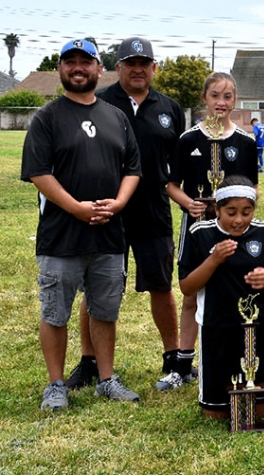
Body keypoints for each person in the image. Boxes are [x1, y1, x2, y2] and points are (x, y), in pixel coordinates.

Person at [21, 38, 142, 409]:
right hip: (61, 236)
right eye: (69, 62)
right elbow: (39, 173)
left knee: (105, 311)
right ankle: (55, 385)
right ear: (60, 69)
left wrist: (119, 203)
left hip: (108, 236)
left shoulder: (115, 116)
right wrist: (76, 207)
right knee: (55, 312)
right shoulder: (47, 118)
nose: (77, 68)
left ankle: (106, 379)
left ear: (98, 69)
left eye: (85, 62)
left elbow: (132, 169)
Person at [64, 37, 188, 392]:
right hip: (107, 211)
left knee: (161, 286)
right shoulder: (99, 102)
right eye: (130, 63)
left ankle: (174, 358)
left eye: (144, 63)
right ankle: (89, 362)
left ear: (154, 68)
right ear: (116, 67)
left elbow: (177, 164)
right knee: (98, 288)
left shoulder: (170, 108)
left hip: (153, 210)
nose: (137, 69)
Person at [167, 72, 259, 384]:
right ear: (205, 98)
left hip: (233, 229)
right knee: (192, 292)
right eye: (215, 95)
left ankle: (238, 355)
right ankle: (182, 363)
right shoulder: (188, 139)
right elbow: (171, 184)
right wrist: (188, 202)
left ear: (236, 100)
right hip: (196, 226)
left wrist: (237, 214)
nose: (221, 102)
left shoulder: (245, 142)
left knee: (234, 289)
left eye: (228, 96)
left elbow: (252, 188)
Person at [177, 176, 264, 419]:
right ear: (216, 209)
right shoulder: (200, 233)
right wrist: (213, 260)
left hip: (258, 325)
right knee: (215, 414)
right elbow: (186, 286)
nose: (239, 220)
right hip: (218, 325)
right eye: (231, 212)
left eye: (246, 212)